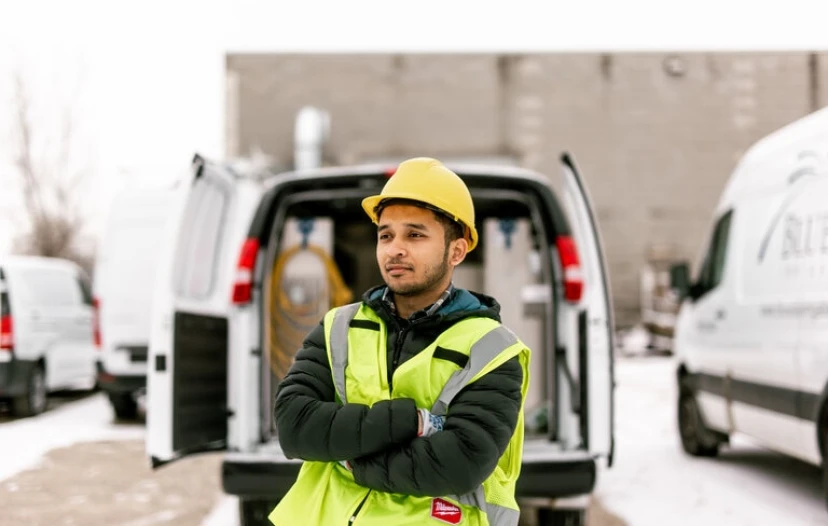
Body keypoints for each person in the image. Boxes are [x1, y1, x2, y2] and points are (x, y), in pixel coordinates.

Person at [268, 157, 532, 526]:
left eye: (415, 235)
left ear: (457, 250)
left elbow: (457, 464)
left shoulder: (491, 348)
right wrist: (413, 421)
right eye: (386, 235)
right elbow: (295, 428)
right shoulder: (338, 327)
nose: (395, 249)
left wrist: (350, 460)